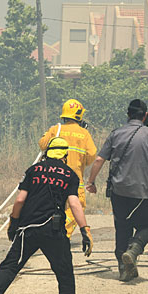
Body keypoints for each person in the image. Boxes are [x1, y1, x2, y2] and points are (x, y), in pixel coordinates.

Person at [0, 137, 93, 294]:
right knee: (64, 272)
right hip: (53, 231)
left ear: (46, 153)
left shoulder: (33, 170)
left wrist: (13, 222)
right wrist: (85, 230)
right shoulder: (69, 174)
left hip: (28, 230)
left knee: (9, 267)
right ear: (65, 155)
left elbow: (19, 200)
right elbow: (74, 203)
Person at [86, 99, 148, 282]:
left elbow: (100, 160)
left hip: (119, 192)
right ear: (145, 116)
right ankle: (133, 250)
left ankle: (124, 270)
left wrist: (91, 182)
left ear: (128, 115)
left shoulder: (116, 134)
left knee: (122, 228)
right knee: (147, 226)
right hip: (144, 193)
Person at [38, 99, 97, 237]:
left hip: (52, 179)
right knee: (76, 209)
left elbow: (42, 145)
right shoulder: (84, 134)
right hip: (74, 181)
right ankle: (62, 233)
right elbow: (91, 156)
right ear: (79, 115)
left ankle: (50, 231)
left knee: (53, 207)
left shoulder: (55, 130)